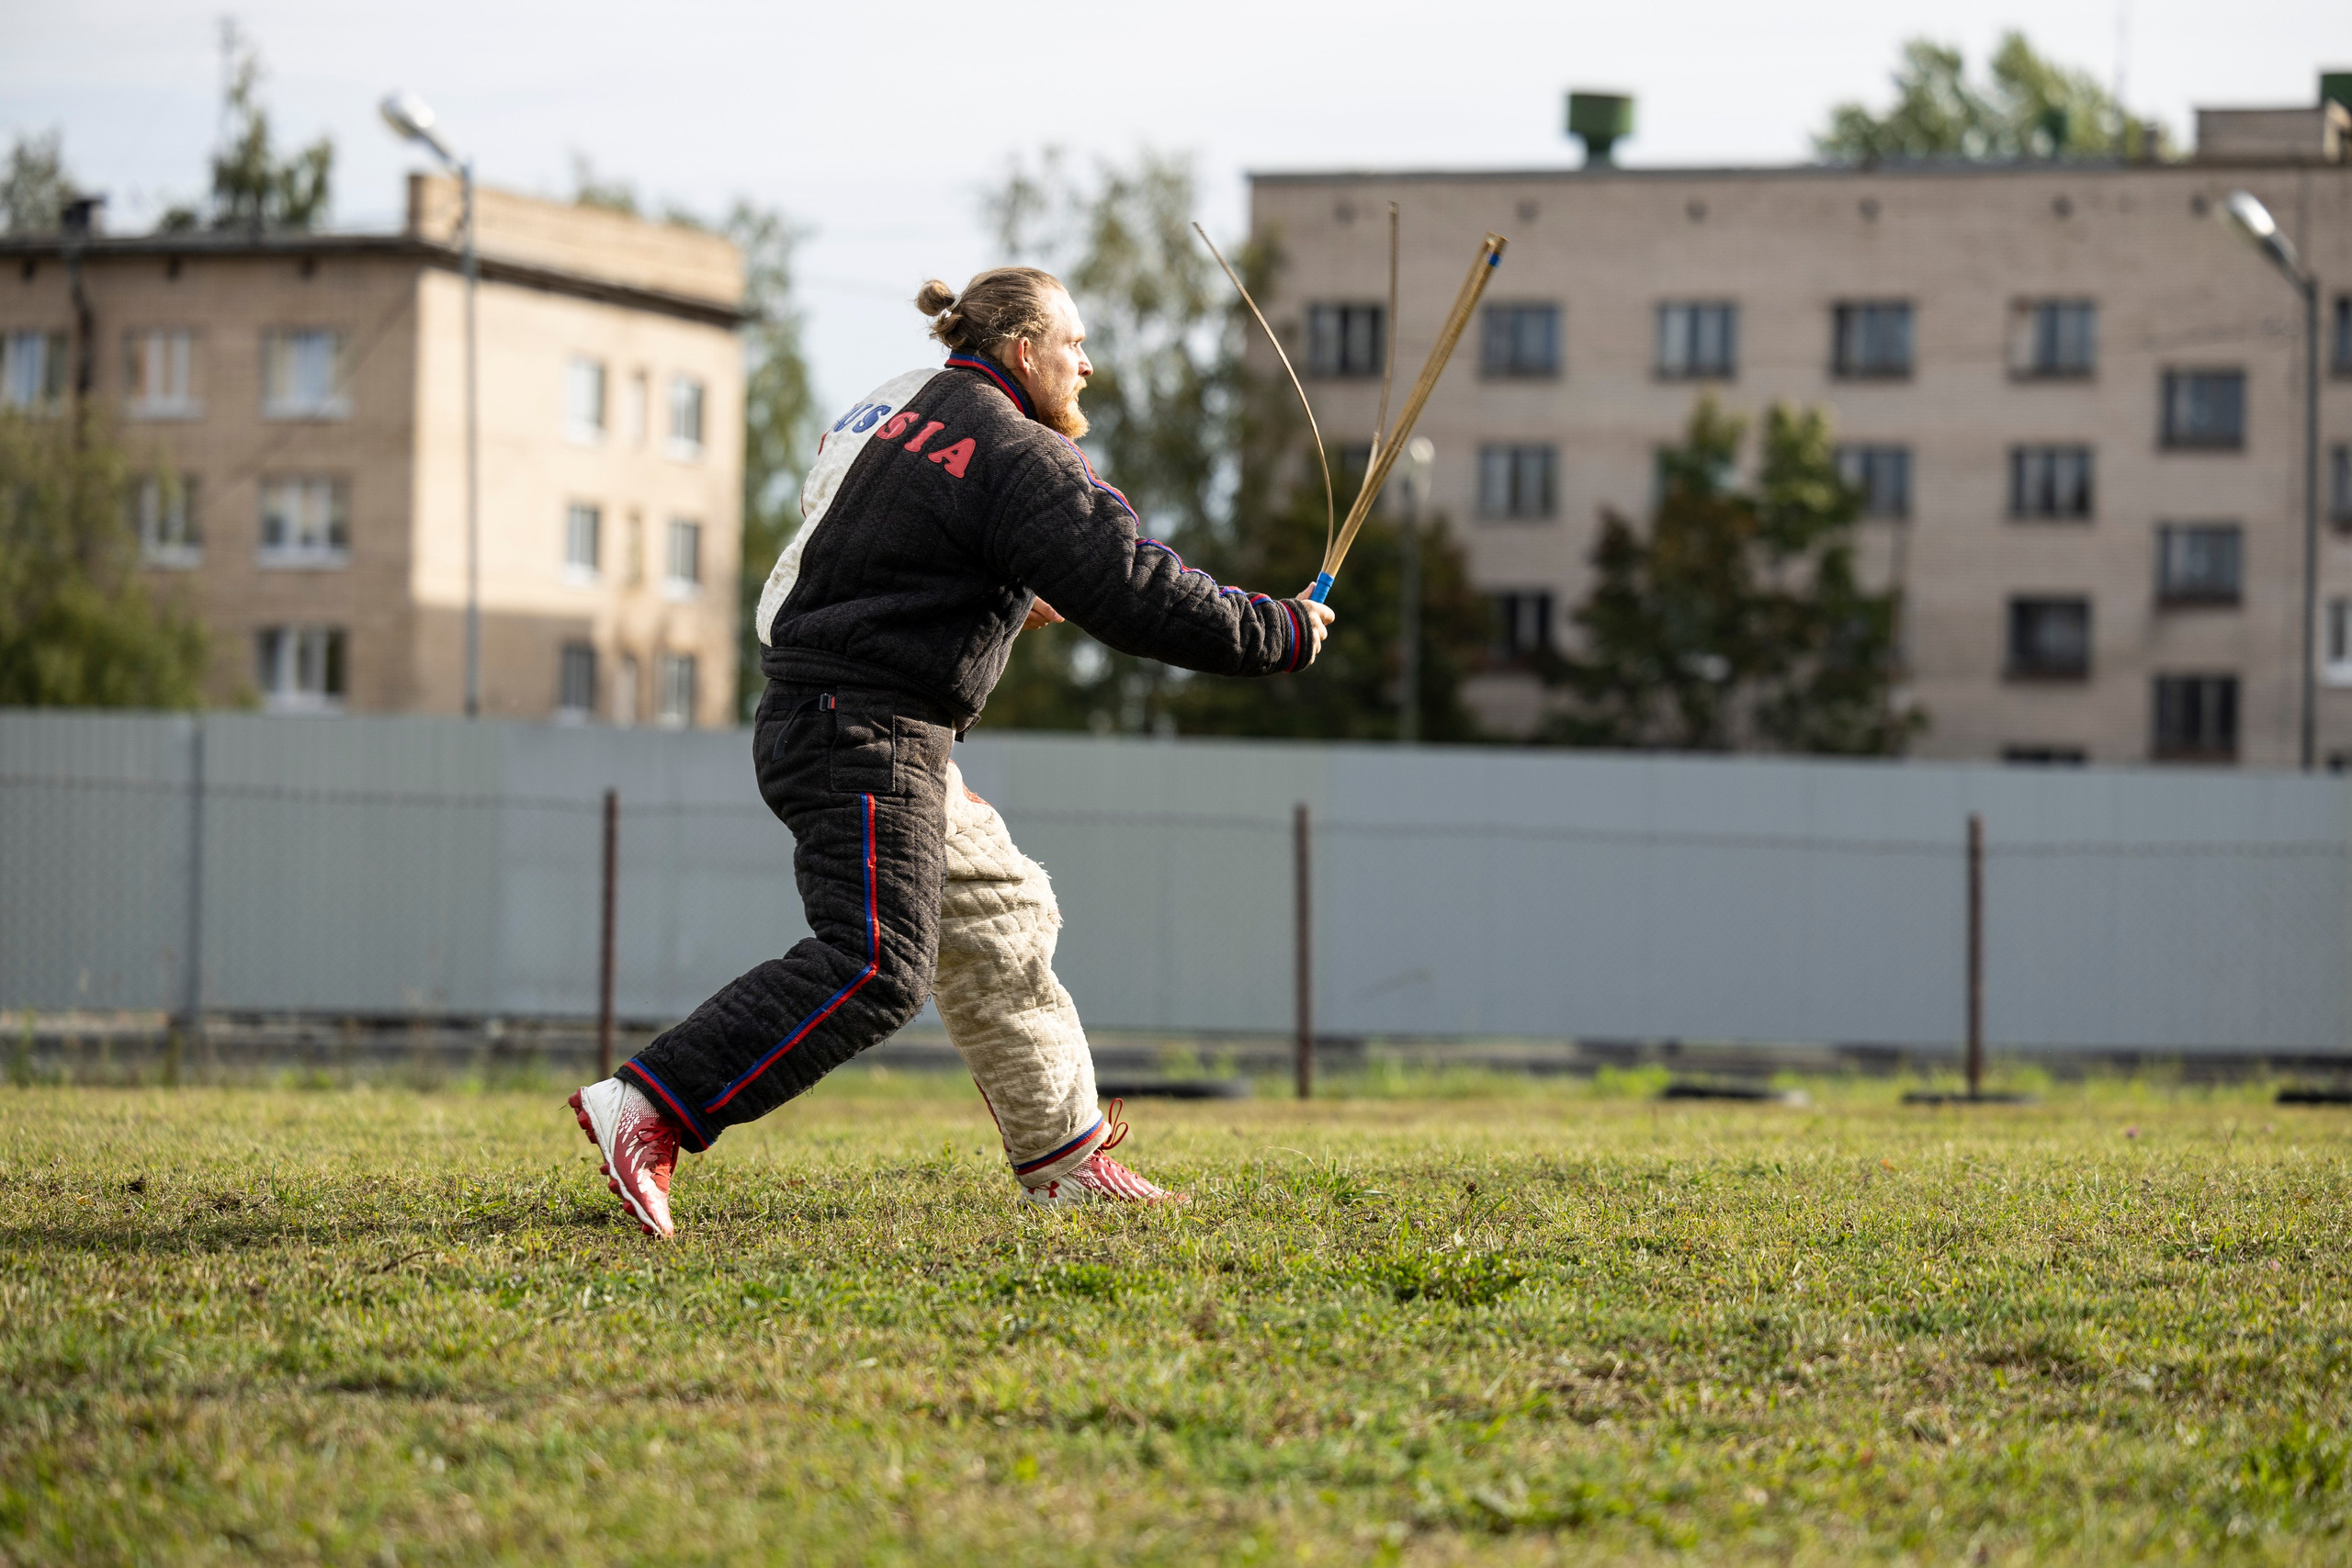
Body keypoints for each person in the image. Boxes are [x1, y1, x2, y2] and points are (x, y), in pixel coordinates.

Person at [569, 265, 1334, 1236]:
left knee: (1002, 912)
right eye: (1075, 344)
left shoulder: (900, 407)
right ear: (1024, 352)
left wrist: (1005, 584)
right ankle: (652, 1105)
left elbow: (880, 534)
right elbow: (1135, 589)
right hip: (864, 730)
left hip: (845, 714)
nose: (1088, 365)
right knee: (873, 968)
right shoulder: (1023, 456)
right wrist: (1282, 632)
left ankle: (1064, 1158)